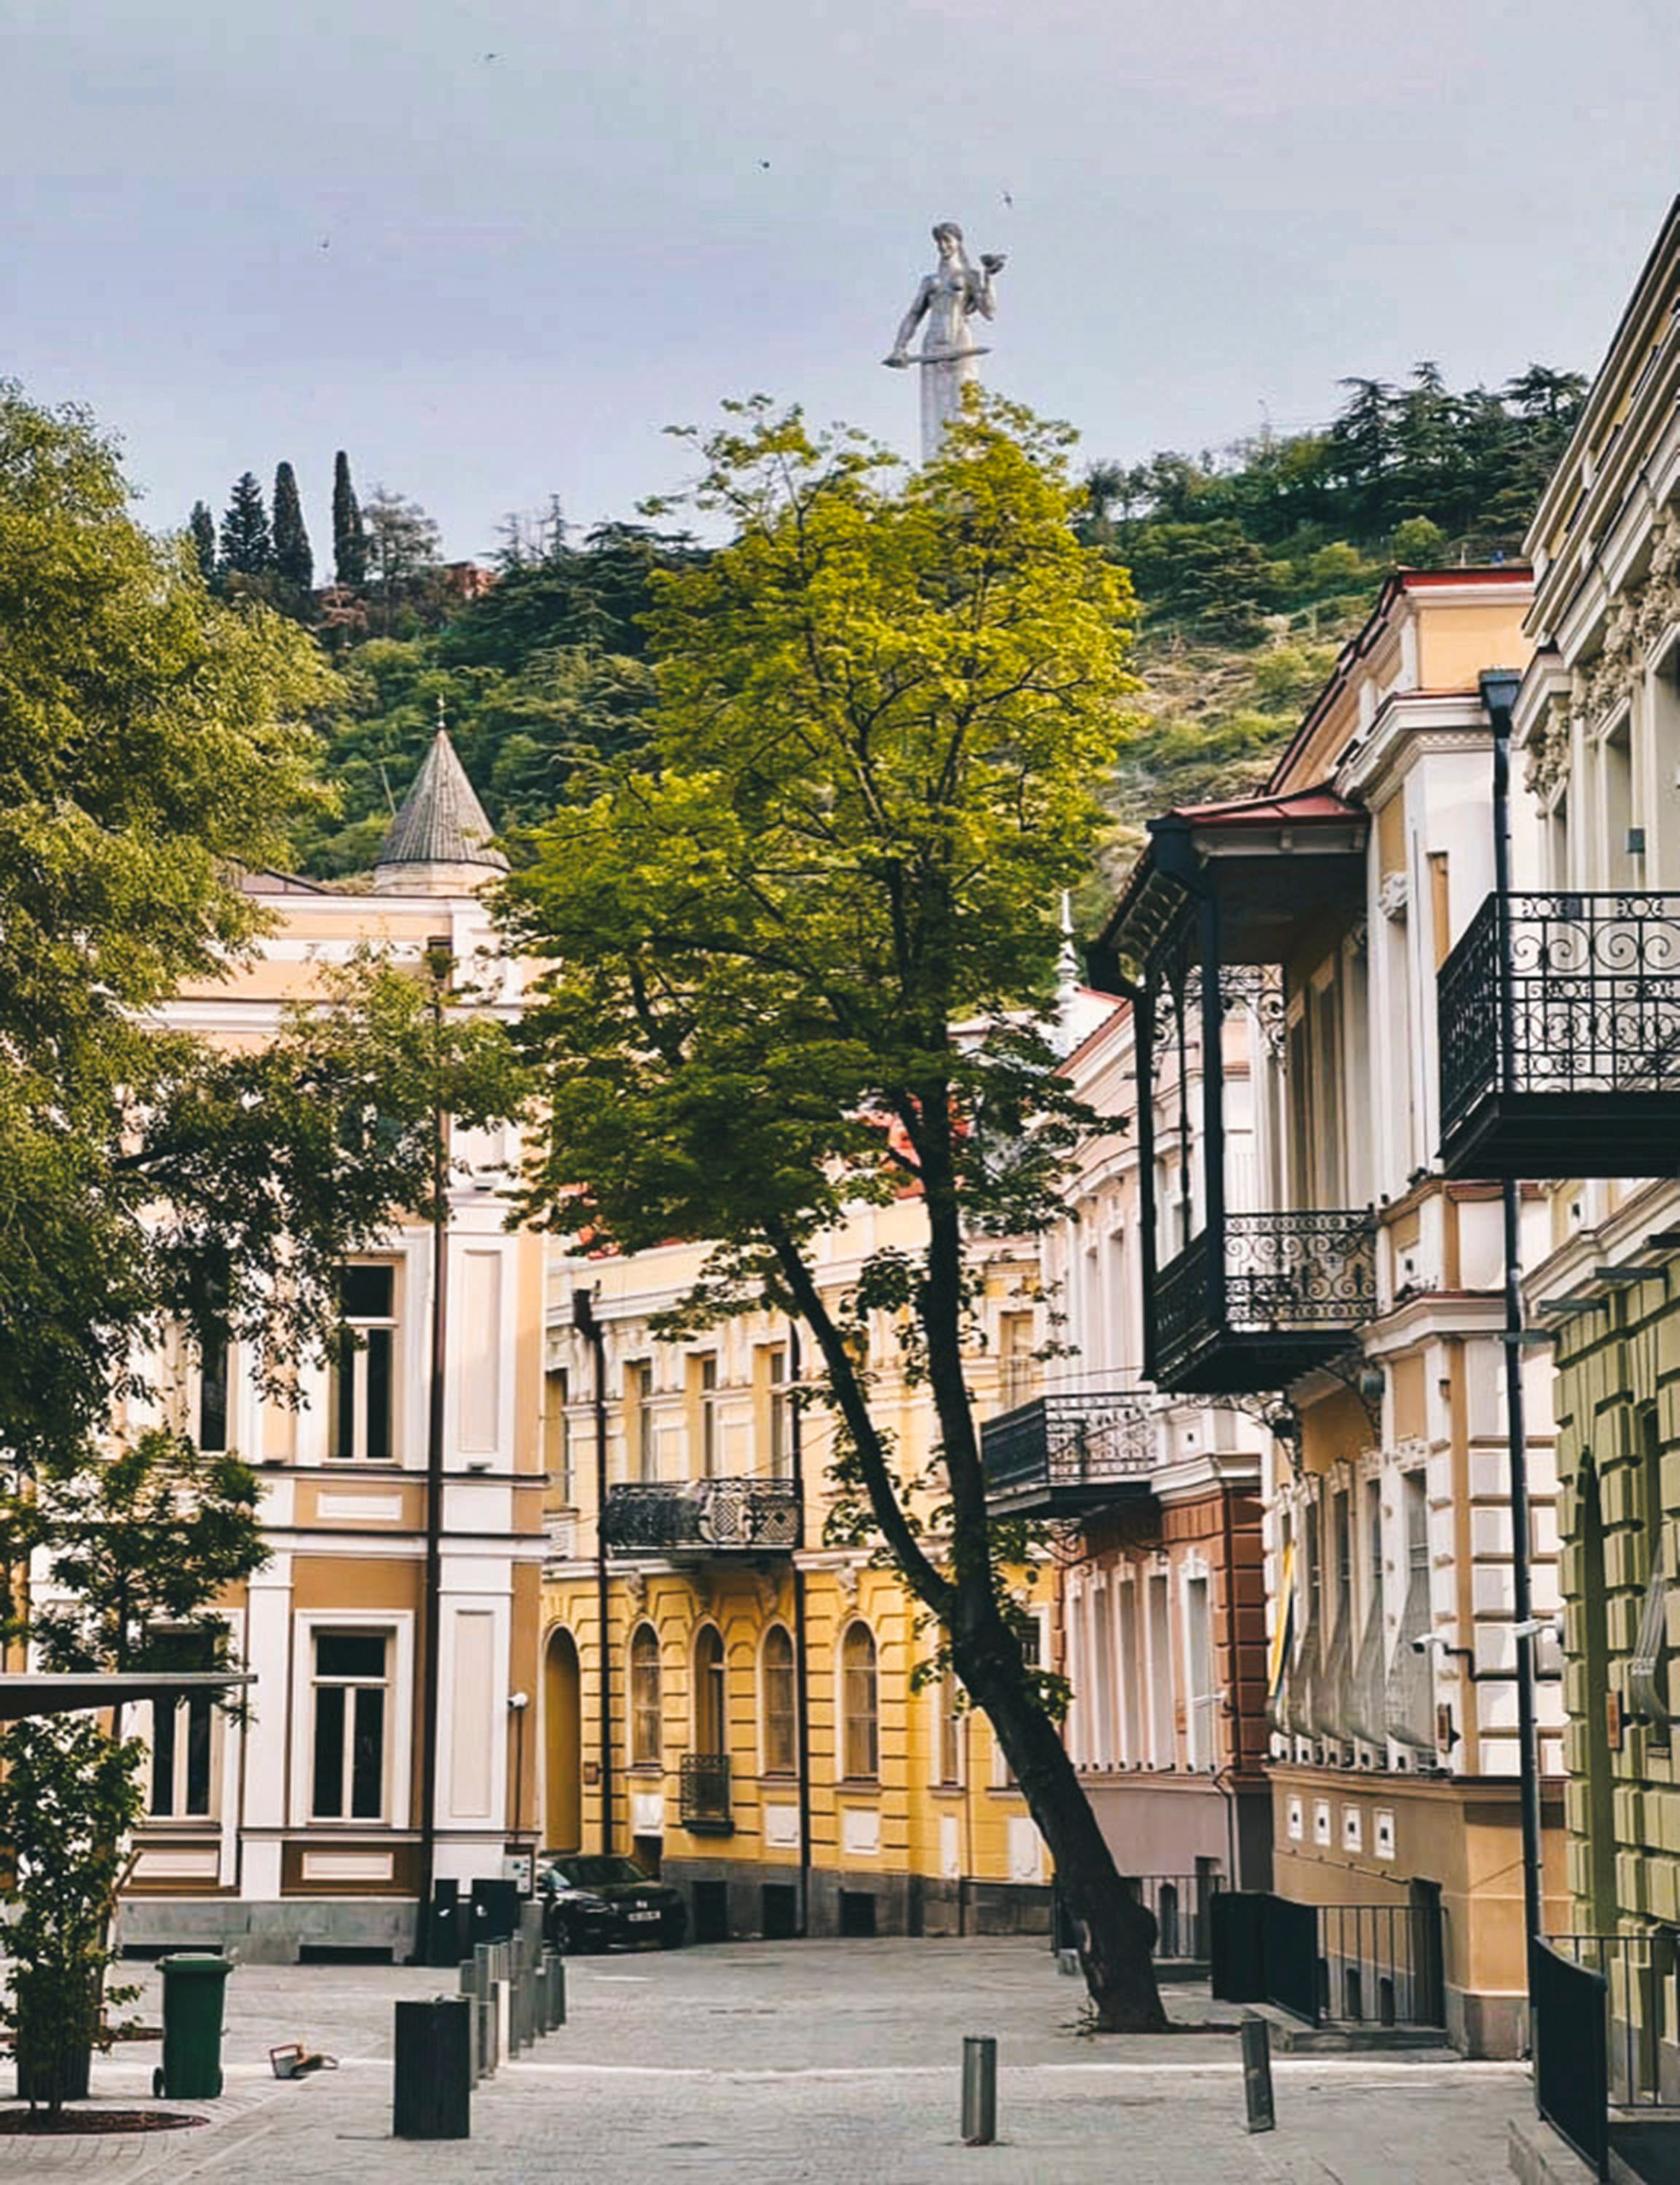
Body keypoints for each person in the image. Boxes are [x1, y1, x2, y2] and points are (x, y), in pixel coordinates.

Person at [883, 221, 1006, 460]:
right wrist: (899, 347)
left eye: (948, 240)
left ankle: (968, 470)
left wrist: (989, 279)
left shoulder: (969, 276)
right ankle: (936, 475)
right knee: (933, 413)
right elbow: (913, 314)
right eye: (939, 241)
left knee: (963, 409)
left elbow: (989, 312)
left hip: (960, 343)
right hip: (931, 346)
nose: (943, 246)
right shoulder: (929, 281)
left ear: (958, 243)